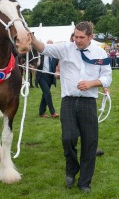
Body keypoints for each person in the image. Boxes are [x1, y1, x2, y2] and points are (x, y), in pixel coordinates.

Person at [30, 21, 112, 192]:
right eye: (76, 36)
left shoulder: (100, 52)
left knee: (90, 143)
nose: (78, 40)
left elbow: (107, 78)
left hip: (88, 102)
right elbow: (43, 48)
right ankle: (71, 169)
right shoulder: (66, 48)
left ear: (91, 36)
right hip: (68, 100)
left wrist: (91, 83)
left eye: (82, 37)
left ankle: (84, 182)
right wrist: (31, 38)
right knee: (68, 138)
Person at [36, 40, 60, 118]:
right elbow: (34, 62)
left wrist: (58, 71)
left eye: (51, 46)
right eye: (48, 46)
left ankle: (41, 113)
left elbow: (59, 64)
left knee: (45, 95)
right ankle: (52, 112)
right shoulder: (41, 54)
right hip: (42, 76)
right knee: (48, 93)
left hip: (50, 77)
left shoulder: (55, 56)